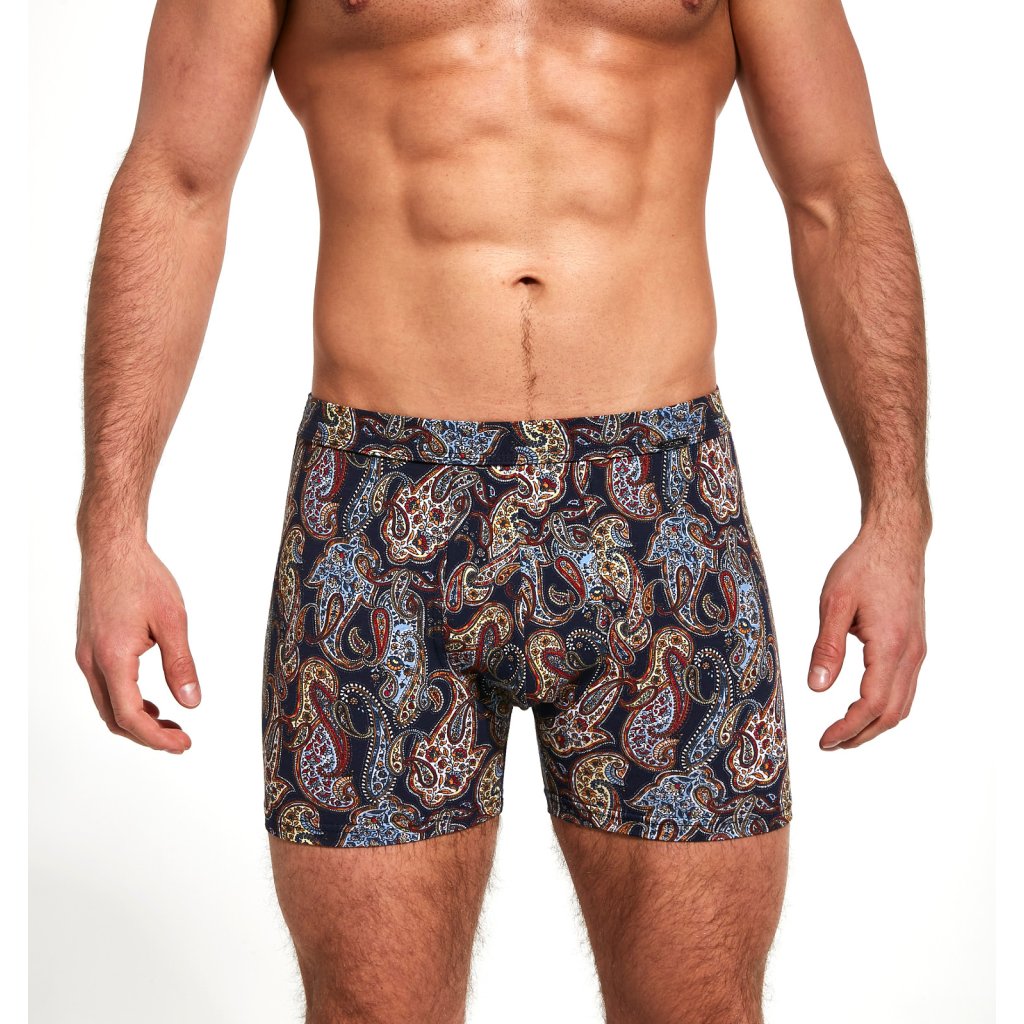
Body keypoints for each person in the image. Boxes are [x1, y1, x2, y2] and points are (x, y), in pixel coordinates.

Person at [74, 1, 931, 1021]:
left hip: (661, 505)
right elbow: (175, 180)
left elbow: (838, 189)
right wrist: (112, 527)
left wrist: (897, 515)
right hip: (380, 511)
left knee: (699, 1009)